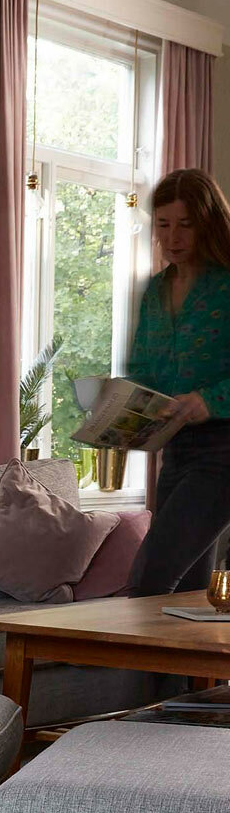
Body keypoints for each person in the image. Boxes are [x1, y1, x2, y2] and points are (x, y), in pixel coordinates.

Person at [127, 168, 230, 596]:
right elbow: (144, 369)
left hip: (224, 449)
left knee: (150, 578)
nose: (173, 237)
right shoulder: (155, 290)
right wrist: (123, 410)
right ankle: (187, 667)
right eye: (164, 225)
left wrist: (210, 400)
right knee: (187, 591)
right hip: (177, 449)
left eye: (185, 224)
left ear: (207, 223)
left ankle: (136, 664)